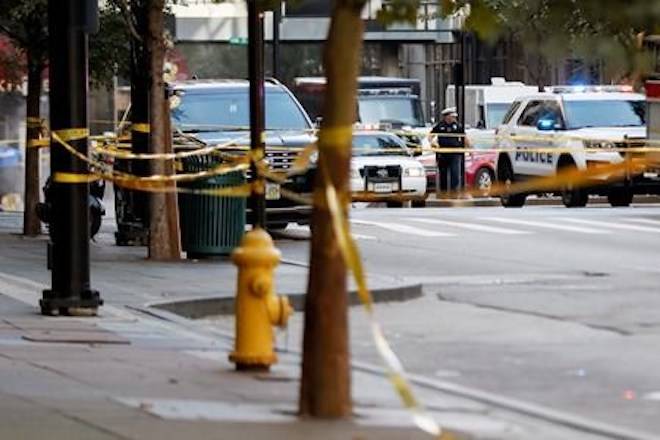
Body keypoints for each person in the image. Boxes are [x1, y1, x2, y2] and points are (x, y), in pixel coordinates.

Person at [430, 107, 468, 196]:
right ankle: (443, 193)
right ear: (447, 117)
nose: (454, 118)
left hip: (455, 153)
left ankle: (454, 193)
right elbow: (431, 135)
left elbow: (465, 138)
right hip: (443, 153)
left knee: (455, 173)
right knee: (443, 174)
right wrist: (433, 143)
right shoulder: (440, 125)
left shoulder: (457, 126)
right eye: (452, 116)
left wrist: (469, 148)